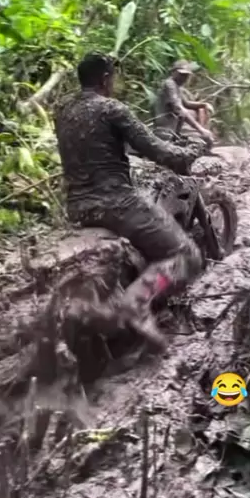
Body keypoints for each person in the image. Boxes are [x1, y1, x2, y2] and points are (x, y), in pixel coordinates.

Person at [54, 53, 204, 350]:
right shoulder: (111, 108)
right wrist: (191, 152)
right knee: (187, 256)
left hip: (78, 207)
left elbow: (92, 147)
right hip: (117, 203)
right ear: (105, 79)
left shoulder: (63, 112)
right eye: (114, 78)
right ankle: (136, 304)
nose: (116, 83)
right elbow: (158, 150)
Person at [153, 60, 214, 146]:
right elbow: (178, 108)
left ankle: (202, 135)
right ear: (173, 72)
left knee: (200, 109)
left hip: (174, 123)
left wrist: (204, 104)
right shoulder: (169, 84)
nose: (184, 78)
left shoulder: (176, 86)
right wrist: (200, 129)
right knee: (184, 112)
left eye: (186, 75)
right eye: (181, 75)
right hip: (166, 124)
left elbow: (186, 103)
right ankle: (200, 134)